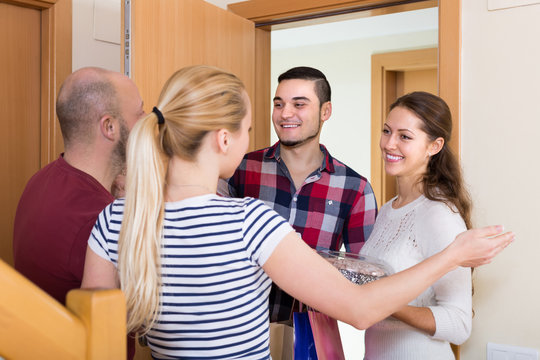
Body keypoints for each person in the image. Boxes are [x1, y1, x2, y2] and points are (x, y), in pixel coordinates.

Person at [80, 65, 513, 360]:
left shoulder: (114, 219)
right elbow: (362, 308)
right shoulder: (250, 221)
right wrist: (454, 255)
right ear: (224, 140)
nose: (281, 118)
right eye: (252, 124)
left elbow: (96, 335)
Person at [219, 66, 377, 321]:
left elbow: (365, 280)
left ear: (326, 111)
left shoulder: (355, 188)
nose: (285, 114)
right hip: (241, 328)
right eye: (279, 104)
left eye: (299, 104)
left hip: (310, 336)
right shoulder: (240, 168)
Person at [13, 67, 144, 359]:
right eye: (140, 112)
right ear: (109, 127)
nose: (147, 122)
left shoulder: (42, 179)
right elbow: (147, 320)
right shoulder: (100, 220)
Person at [360, 91, 476, 359]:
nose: (389, 144)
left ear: (434, 146)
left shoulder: (439, 214)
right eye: (387, 131)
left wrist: (381, 302)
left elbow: (459, 324)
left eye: (405, 136)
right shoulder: (388, 210)